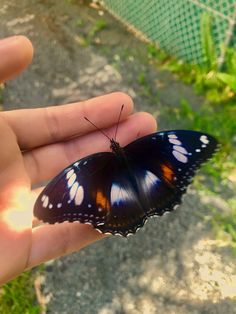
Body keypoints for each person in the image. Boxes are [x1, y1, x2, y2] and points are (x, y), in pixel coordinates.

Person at [0, 35, 157, 285]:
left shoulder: (87, 168)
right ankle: (155, 199)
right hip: (144, 185)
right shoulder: (143, 149)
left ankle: (151, 202)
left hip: (119, 198)